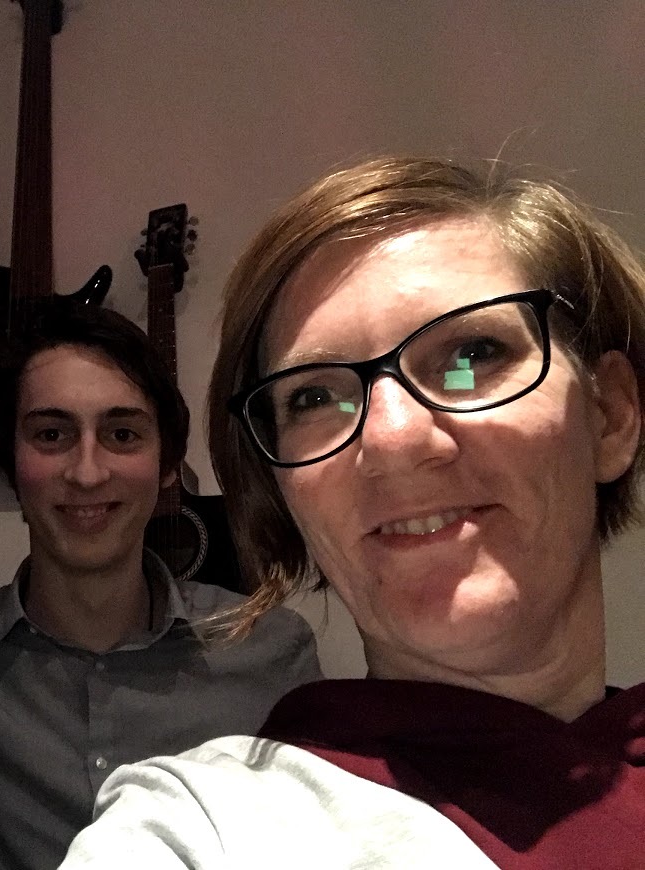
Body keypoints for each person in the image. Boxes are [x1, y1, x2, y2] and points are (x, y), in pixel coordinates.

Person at [60, 155, 645, 868]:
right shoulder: (201, 827)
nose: (392, 440)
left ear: (611, 415)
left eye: (472, 354)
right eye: (314, 397)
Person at [0, 304, 322, 870]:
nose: (87, 472)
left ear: (168, 465)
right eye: (51, 434)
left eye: (122, 434)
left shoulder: (271, 653)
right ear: (11, 465)